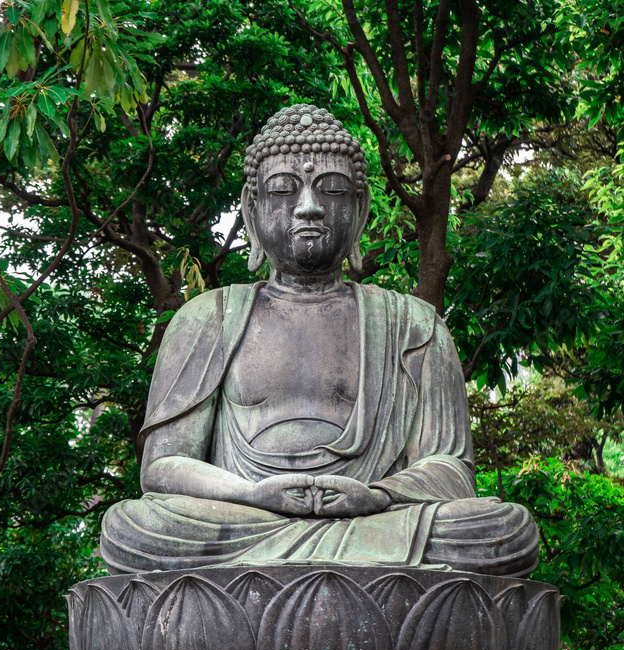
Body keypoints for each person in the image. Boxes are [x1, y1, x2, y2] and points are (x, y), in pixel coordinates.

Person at [100, 105, 539, 577]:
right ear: (251, 210)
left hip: (375, 521)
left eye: (331, 190)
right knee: (132, 526)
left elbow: (451, 471)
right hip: (246, 520)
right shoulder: (208, 318)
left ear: (360, 208)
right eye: (283, 191)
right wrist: (250, 494)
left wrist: (378, 495)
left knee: (501, 529)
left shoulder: (414, 326)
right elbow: (163, 466)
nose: (308, 207)